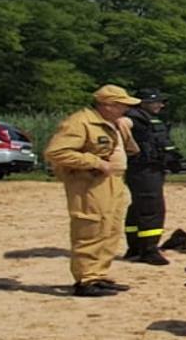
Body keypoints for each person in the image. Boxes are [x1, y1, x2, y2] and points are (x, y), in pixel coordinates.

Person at [45, 84, 139, 297]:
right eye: (122, 105)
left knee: (111, 228)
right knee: (91, 227)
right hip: (88, 182)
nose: (126, 109)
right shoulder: (80, 122)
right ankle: (85, 279)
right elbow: (56, 152)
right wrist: (94, 162)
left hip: (113, 181)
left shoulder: (112, 123)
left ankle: (99, 274)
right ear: (107, 105)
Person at [120, 89, 177, 265]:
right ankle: (149, 250)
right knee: (152, 208)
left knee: (140, 207)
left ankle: (136, 247)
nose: (161, 105)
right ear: (143, 102)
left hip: (150, 168)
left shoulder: (145, 118)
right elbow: (120, 126)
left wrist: (172, 158)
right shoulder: (133, 118)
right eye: (157, 102)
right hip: (142, 168)